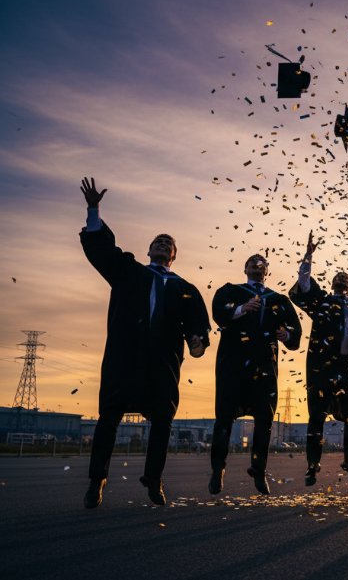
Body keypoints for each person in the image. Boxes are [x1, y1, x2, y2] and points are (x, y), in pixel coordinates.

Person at [78, 177, 210, 508]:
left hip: (162, 362)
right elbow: (102, 250)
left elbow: (197, 325)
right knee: (109, 416)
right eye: (158, 241)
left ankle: (154, 479)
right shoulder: (129, 271)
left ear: (174, 255)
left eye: (169, 243)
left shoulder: (185, 288)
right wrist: (94, 210)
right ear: (150, 249)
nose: (163, 244)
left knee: (163, 420)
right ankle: (98, 480)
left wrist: (198, 342)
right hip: (125, 356)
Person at [289, 232, 348, 486]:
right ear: (332, 284)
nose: (341, 280)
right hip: (323, 369)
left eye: (346, 279)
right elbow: (304, 284)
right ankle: (312, 465)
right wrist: (308, 256)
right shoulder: (322, 304)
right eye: (338, 278)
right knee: (316, 418)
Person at [209, 254, 301, 495]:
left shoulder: (278, 300)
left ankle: (259, 471)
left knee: (265, 421)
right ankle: (218, 469)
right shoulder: (230, 291)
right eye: (252, 263)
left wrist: (288, 335)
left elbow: (294, 327)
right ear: (245, 268)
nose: (256, 266)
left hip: (264, 367)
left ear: (267, 271)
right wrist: (241, 308)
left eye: (261, 264)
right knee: (224, 419)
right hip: (233, 365)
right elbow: (219, 311)